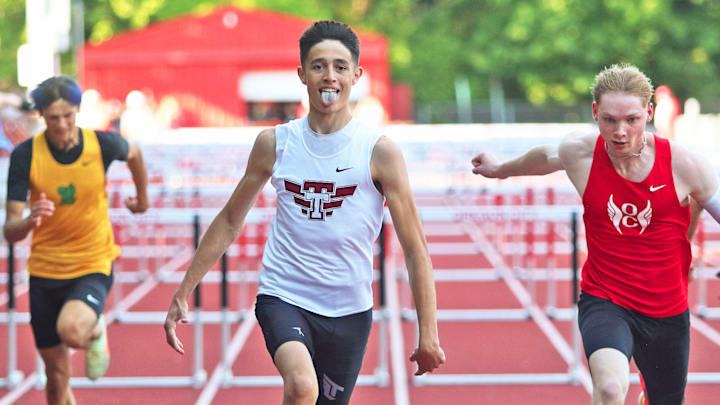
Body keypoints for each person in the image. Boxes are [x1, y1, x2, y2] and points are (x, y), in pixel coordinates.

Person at [164, 20, 445, 405]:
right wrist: (185, 289)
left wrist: (427, 332)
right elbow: (230, 220)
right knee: (301, 387)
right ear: (302, 74)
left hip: (350, 310)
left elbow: (415, 249)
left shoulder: (378, 152)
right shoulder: (275, 144)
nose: (329, 76)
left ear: (356, 75)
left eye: (340, 67)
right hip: (285, 295)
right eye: (318, 66)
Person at [471, 64, 720, 405]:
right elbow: (546, 157)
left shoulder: (685, 165)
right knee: (610, 389)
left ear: (649, 113)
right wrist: (501, 170)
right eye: (609, 120)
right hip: (606, 299)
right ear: (595, 113)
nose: (620, 132)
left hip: (666, 310)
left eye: (631, 120)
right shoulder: (582, 152)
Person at [3, 76, 149, 405]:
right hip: (44, 271)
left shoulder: (102, 144)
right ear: (41, 116)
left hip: (91, 263)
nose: (62, 124)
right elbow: (10, 230)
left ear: (77, 111)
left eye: (68, 115)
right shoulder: (26, 155)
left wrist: (142, 200)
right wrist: (28, 220)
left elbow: (136, 154)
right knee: (55, 378)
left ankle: (95, 330)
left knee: (71, 330)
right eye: (53, 118)